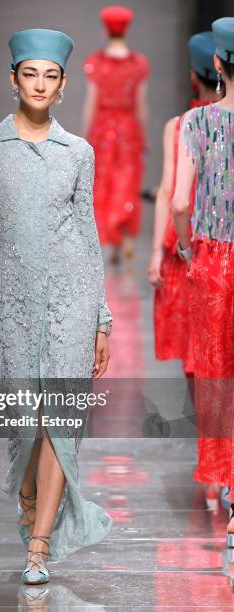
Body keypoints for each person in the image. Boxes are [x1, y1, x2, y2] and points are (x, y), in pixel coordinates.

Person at [0, 28, 113, 584]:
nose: (40, 84)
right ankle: (27, 497)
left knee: (60, 421)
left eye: (50, 75)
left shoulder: (79, 152)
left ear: (63, 83)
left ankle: (39, 546)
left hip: (73, 296)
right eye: (30, 73)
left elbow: (88, 234)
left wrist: (102, 319)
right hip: (14, 301)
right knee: (26, 421)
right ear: (13, 78)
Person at [172, 17, 234, 547]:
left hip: (213, 258)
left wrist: (187, 246)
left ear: (217, 64)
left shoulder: (197, 125)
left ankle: (230, 489)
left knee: (217, 371)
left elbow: (176, 201)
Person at [148, 32, 221, 377]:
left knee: (194, 351)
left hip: (184, 247)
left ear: (194, 76)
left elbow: (169, 193)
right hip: (222, 243)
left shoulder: (179, 126)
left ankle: (209, 425)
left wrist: (154, 256)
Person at [82, 5, 149, 263]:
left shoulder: (96, 63)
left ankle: (108, 241)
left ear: (105, 30)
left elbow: (91, 101)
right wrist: (145, 136)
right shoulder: (138, 64)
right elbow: (141, 104)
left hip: (102, 126)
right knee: (127, 181)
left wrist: (85, 135)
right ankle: (126, 237)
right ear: (127, 29)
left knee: (104, 182)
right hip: (129, 127)